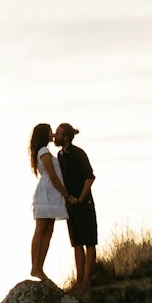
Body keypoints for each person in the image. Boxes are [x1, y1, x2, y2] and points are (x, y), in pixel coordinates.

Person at [54, 123, 97, 294]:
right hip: (70, 205)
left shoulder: (78, 153)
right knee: (77, 244)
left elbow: (89, 177)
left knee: (89, 242)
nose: (55, 136)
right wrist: (67, 198)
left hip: (83, 204)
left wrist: (80, 198)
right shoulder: (60, 155)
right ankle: (78, 282)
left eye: (57, 133)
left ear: (65, 137)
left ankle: (87, 282)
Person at [29, 122, 69, 282]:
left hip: (52, 195)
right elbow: (52, 176)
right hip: (46, 194)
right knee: (41, 231)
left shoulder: (44, 151)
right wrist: (65, 194)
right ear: (44, 134)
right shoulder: (44, 151)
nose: (52, 134)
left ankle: (39, 267)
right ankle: (36, 268)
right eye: (50, 131)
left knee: (48, 231)